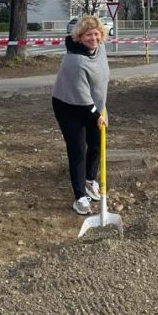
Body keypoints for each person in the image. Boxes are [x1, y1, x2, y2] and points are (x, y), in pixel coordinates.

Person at [52, 15, 109, 215]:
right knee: (78, 151)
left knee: (96, 142)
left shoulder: (100, 49)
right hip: (69, 106)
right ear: (79, 36)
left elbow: (101, 81)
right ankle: (79, 198)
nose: (93, 38)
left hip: (92, 105)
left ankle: (89, 180)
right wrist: (96, 115)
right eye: (88, 35)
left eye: (96, 34)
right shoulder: (74, 61)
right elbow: (83, 97)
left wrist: (101, 107)